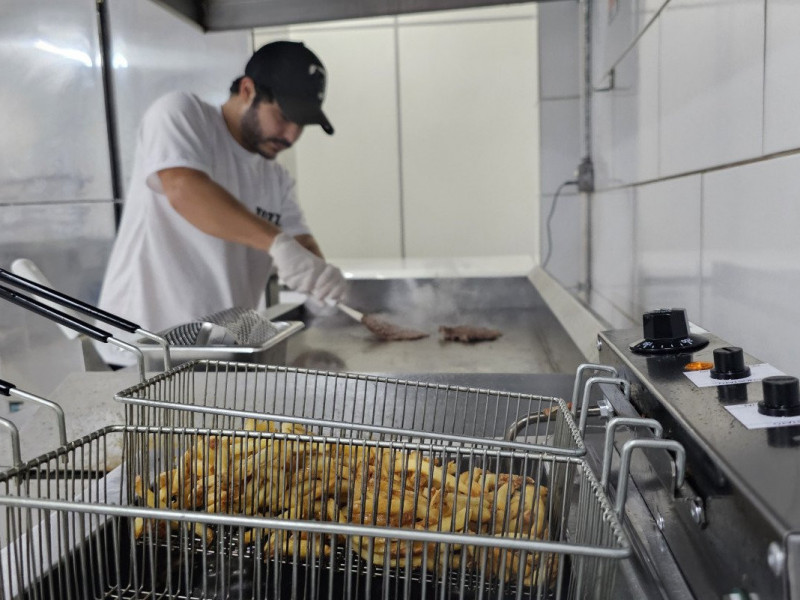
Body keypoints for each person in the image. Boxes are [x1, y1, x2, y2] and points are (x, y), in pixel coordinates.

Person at [97, 41, 346, 361]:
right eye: (284, 116)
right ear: (247, 90)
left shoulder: (276, 179)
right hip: (144, 351)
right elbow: (184, 190)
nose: (291, 136)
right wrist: (277, 244)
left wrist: (320, 277)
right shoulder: (183, 115)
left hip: (219, 353)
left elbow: (301, 245)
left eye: (301, 125)